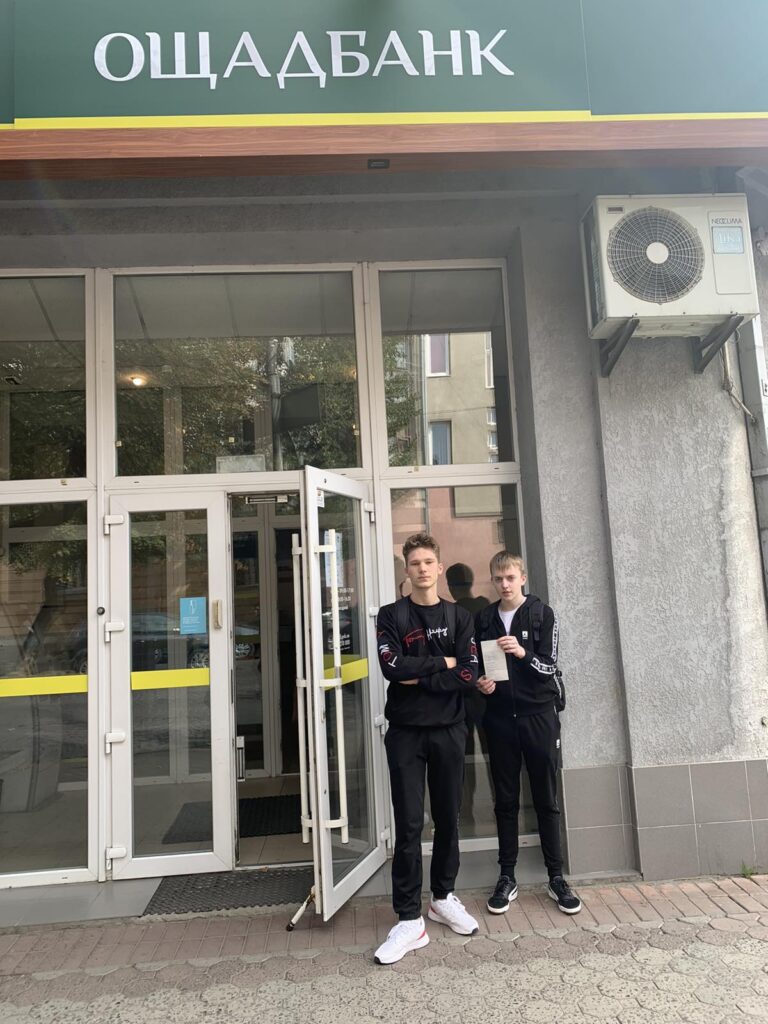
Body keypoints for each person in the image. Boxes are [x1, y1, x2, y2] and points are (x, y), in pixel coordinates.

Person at [373, 532, 480, 965]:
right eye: (414, 563)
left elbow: (469, 671)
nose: (422, 569)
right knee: (410, 824)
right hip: (406, 733)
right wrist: (443, 664)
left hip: (450, 730)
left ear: (439, 567)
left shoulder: (459, 617)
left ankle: (442, 898)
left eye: (428, 562)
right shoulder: (391, 615)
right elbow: (391, 668)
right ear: (407, 569)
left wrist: (421, 675)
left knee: (449, 818)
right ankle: (408, 919)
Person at [475, 551, 581, 916]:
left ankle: (556, 877)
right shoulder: (484, 619)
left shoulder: (541, 614)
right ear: (492, 581)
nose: (504, 584)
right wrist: (481, 683)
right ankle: (507, 876)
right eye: (498, 579)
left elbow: (550, 665)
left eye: (510, 578)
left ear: (522, 578)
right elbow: (477, 665)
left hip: (539, 715)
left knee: (545, 797)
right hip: (500, 719)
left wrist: (521, 653)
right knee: (505, 799)